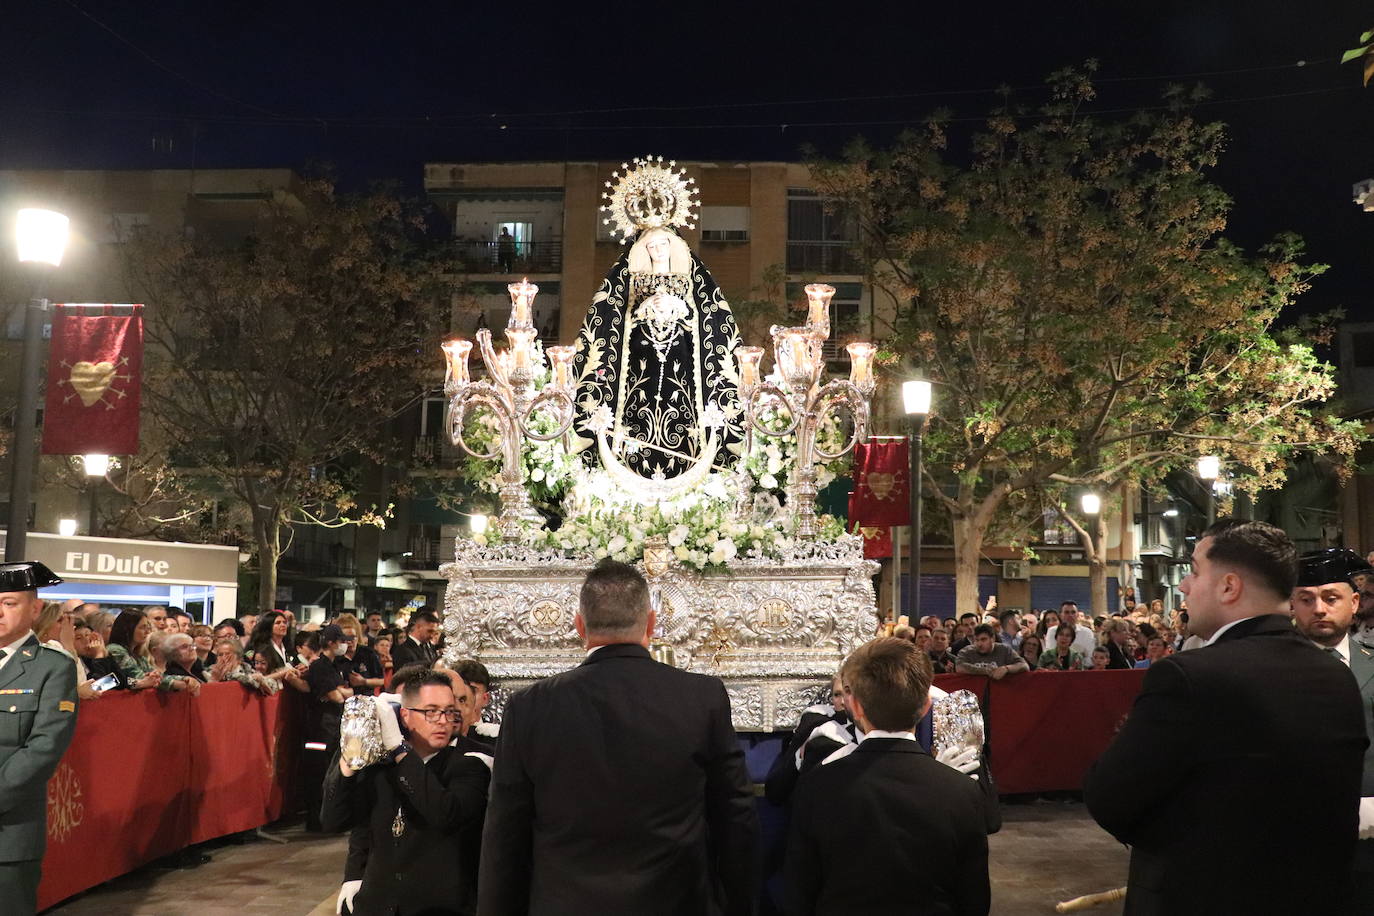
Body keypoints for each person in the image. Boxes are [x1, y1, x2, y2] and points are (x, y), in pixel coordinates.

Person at [1084, 520, 1368, 914]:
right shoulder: (1336, 675)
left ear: (1229, 586)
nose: (1184, 586)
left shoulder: (1188, 677)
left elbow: (1110, 798)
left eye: (1195, 571)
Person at [478, 559, 757, 916]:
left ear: (580, 626)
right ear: (651, 624)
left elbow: (504, 835)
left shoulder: (530, 706)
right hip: (674, 902)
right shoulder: (701, 697)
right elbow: (736, 818)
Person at [783, 637, 990, 915]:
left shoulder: (818, 785)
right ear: (926, 706)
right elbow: (975, 900)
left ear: (855, 706)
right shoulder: (961, 790)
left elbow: (799, 893)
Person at [323, 667, 492, 916]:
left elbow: (445, 814)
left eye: (448, 711)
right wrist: (346, 765)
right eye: (431, 712)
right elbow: (334, 821)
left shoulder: (470, 764)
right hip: (376, 905)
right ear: (405, 716)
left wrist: (401, 750)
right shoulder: (380, 765)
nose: (443, 721)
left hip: (439, 908)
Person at [1290, 547, 1374, 912]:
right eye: (1306, 599)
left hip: (1368, 839)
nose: (1319, 609)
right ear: (1291, 605)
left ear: (1354, 602)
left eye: (1331, 597)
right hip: (1291, 837)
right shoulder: (1267, 670)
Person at [0, 562, 80, 915]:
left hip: (8, 833)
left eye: (9, 603)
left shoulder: (51, 667)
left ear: (35, 609)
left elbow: (45, 746)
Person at [299, 626, 353, 832]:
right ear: (331, 643)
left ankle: (325, 819)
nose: (345, 645)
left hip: (330, 727)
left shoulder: (331, 666)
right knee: (318, 775)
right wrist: (342, 692)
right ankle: (317, 821)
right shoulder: (321, 667)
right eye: (342, 641)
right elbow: (337, 696)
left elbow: (345, 691)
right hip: (319, 730)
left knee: (329, 773)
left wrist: (343, 691)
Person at [107, 609, 189, 693]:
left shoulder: (138, 655)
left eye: (148, 627)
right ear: (128, 629)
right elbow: (137, 677)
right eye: (143, 627)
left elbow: (156, 675)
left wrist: (184, 679)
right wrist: (173, 683)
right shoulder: (115, 649)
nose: (147, 632)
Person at [954, 624, 1029, 680]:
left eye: (983, 640)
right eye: (976, 640)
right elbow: (959, 667)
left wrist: (1006, 668)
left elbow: (1024, 666)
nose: (979, 644)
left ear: (992, 638)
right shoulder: (967, 651)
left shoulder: (1004, 649)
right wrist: (985, 671)